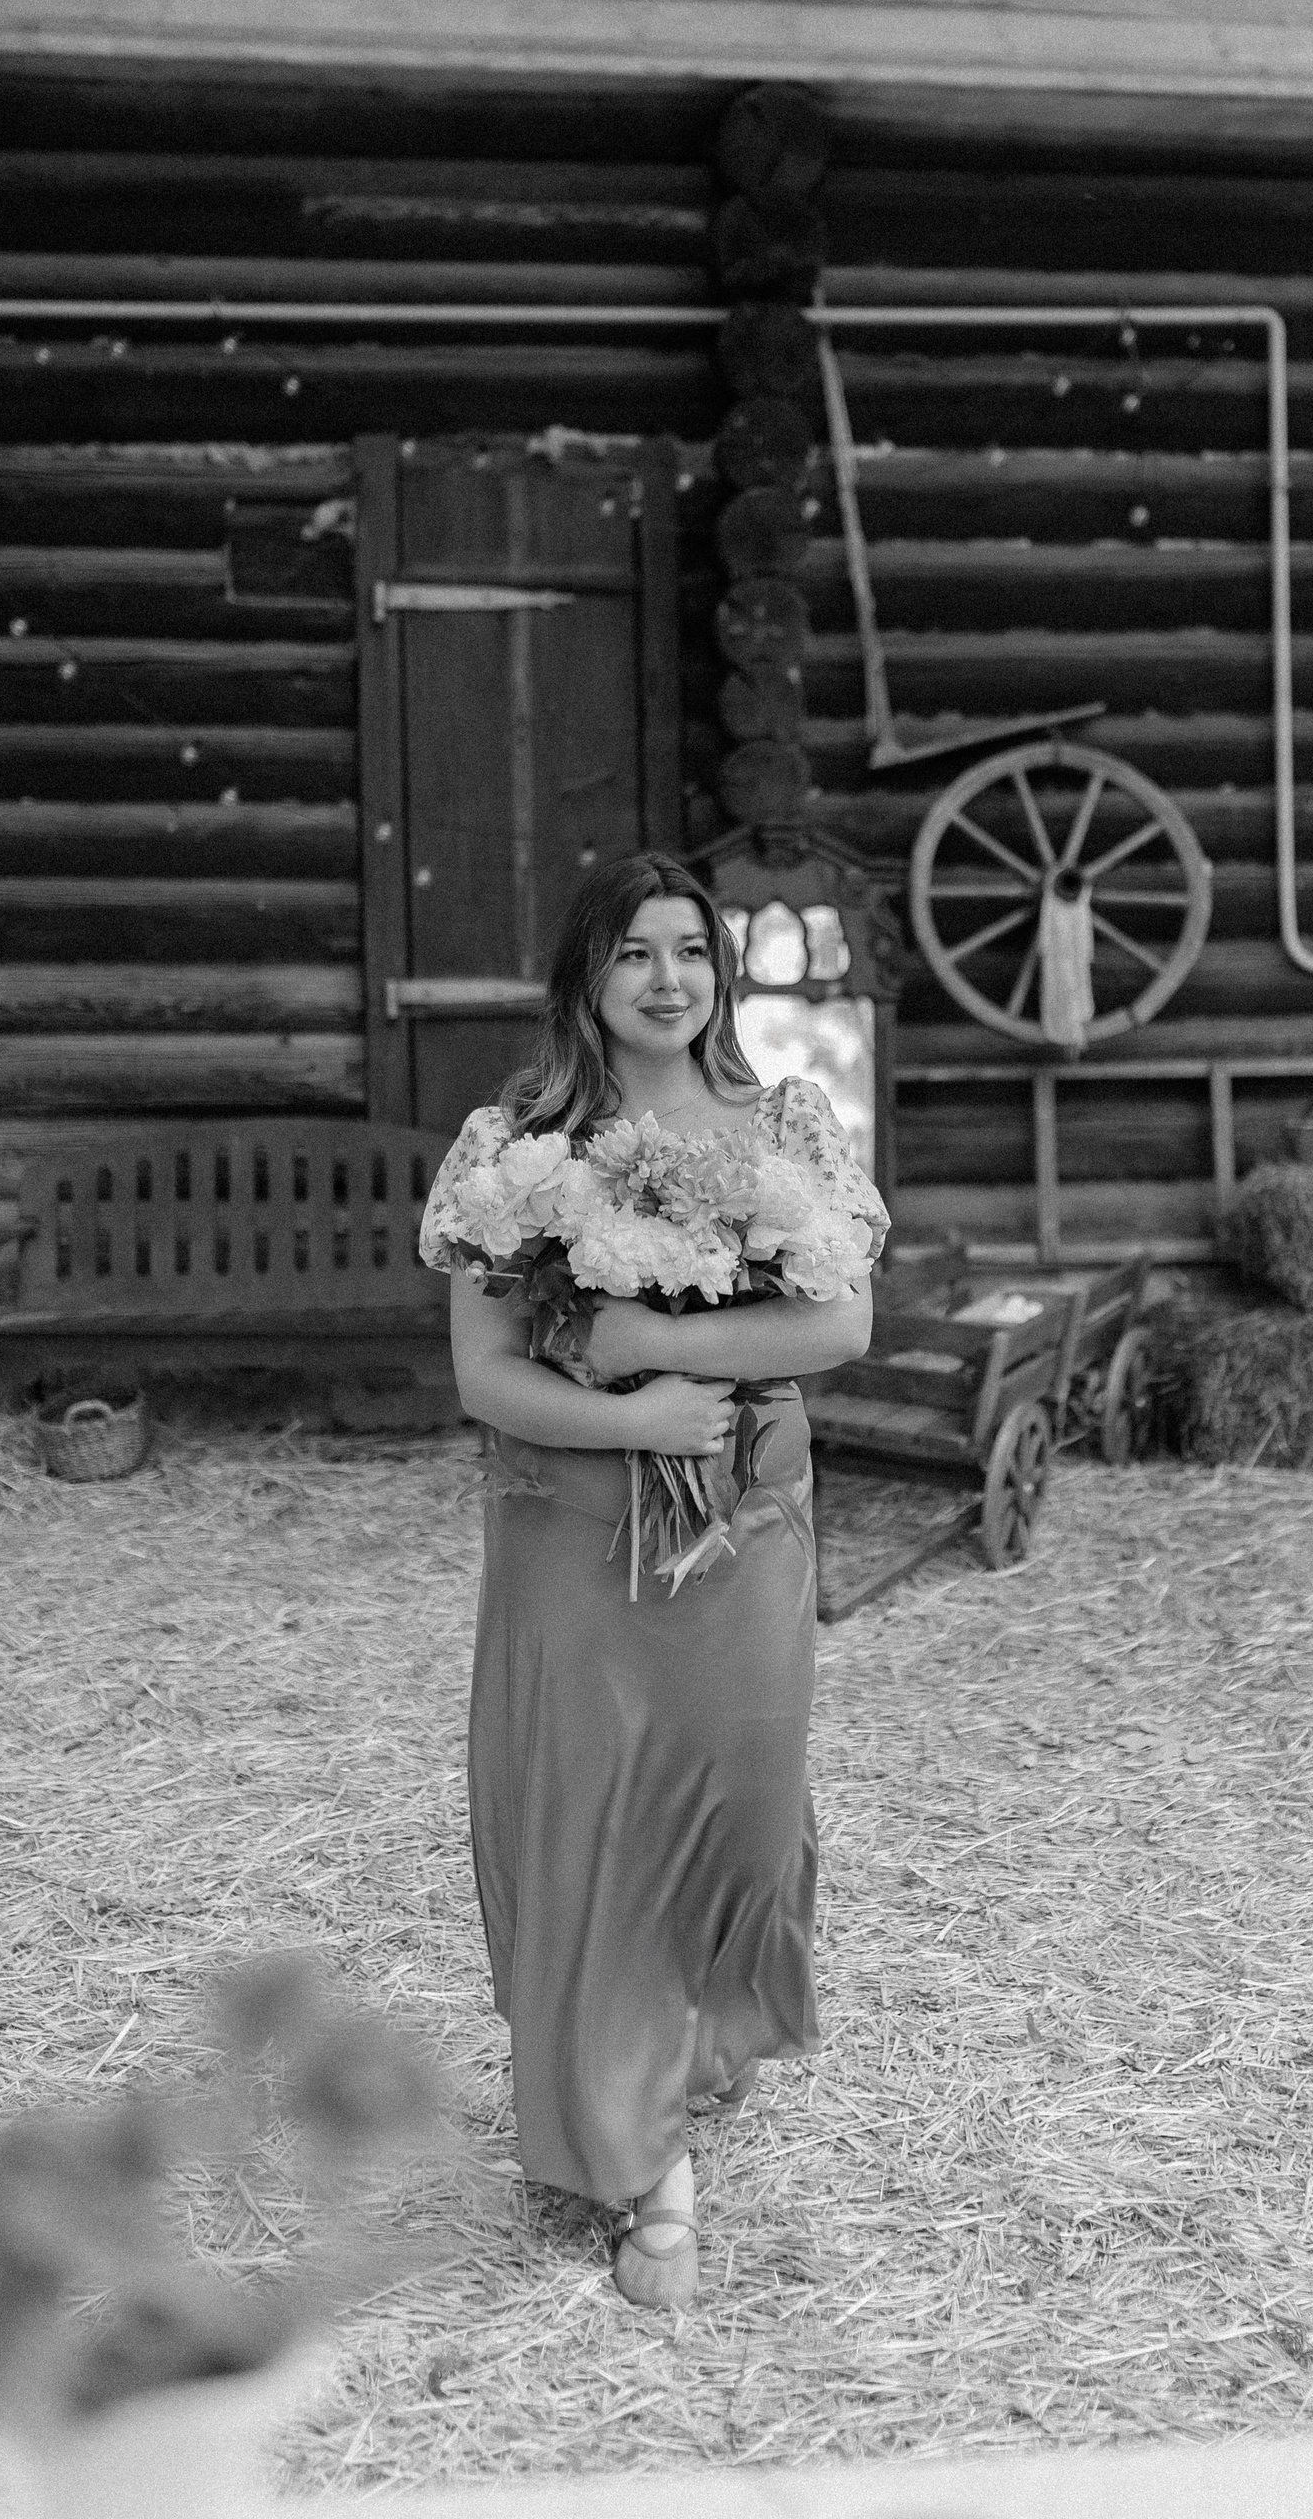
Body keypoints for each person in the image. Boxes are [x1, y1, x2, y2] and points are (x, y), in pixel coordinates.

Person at [419, 852, 885, 2313]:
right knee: (601, 1829)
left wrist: (649, 1348)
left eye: (690, 951)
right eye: (634, 953)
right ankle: (640, 2166)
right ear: (587, 977)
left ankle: (690, 2043)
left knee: (744, 1813)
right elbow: (487, 1376)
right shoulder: (514, 1147)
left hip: (745, 1524)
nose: (666, 979)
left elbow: (840, 1327)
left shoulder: (785, 1123)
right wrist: (632, 1418)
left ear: (719, 976)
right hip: (572, 1538)